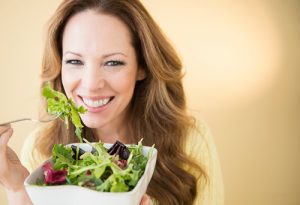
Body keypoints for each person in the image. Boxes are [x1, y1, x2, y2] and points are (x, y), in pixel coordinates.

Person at [0, 0, 224, 204]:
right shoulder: (40, 150)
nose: (91, 84)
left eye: (113, 62)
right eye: (75, 61)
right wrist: (18, 188)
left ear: (142, 67)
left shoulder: (190, 139)